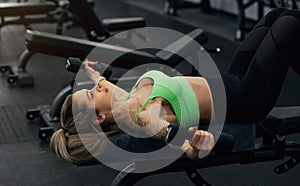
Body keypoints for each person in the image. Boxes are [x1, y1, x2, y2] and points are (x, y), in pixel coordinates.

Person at [50, 8, 300, 164]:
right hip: (248, 97)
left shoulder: (122, 97)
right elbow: (168, 133)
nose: (99, 87)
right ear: (100, 118)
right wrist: (192, 146)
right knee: (289, 23)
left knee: (275, 15)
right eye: (92, 95)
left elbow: (101, 83)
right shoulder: (142, 117)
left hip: (232, 80)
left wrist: (90, 73)